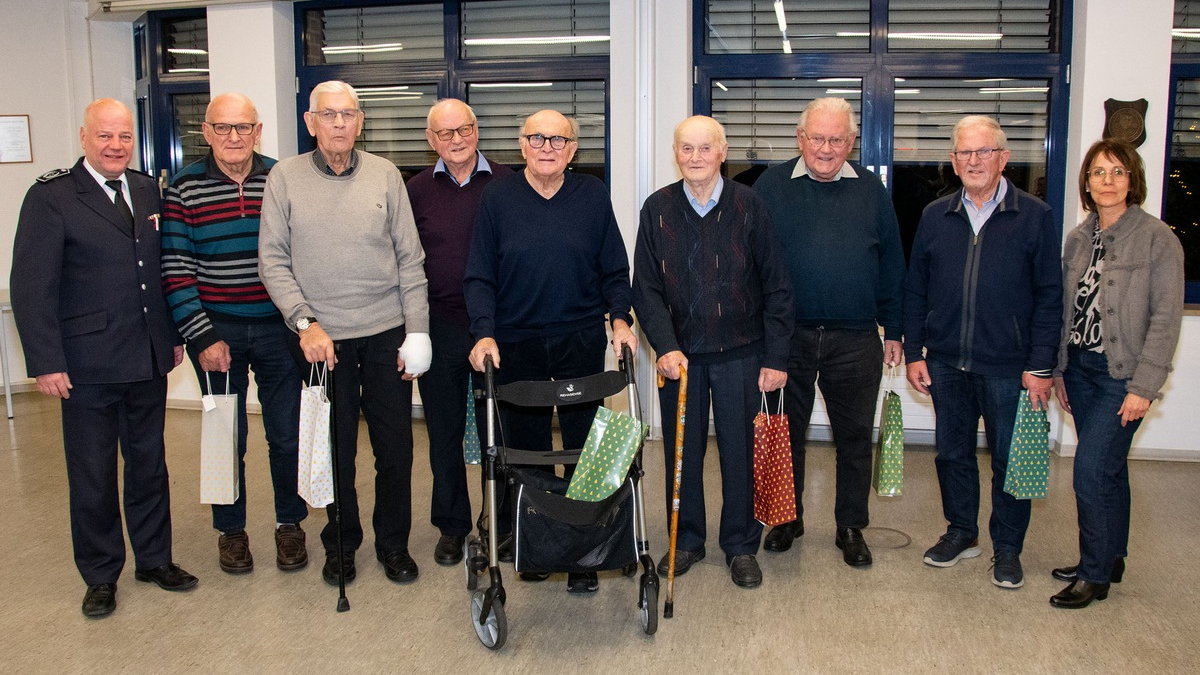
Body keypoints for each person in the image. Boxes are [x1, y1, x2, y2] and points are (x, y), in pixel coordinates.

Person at [10, 98, 197, 618]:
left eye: (124, 137)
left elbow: (157, 272)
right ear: (83, 137)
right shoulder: (52, 197)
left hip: (146, 356)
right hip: (86, 364)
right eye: (104, 136)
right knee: (92, 474)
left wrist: (172, 335)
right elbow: (30, 286)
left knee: (149, 467)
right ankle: (100, 574)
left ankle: (154, 559)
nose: (115, 146)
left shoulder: (145, 188)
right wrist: (46, 360)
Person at [259, 80, 431, 586]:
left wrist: (417, 331)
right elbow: (272, 260)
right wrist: (304, 323)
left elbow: (410, 258)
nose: (338, 124)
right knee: (333, 451)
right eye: (328, 115)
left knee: (395, 449)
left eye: (348, 114)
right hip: (320, 342)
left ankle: (393, 544)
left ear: (360, 121)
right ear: (310, 122)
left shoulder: (385, 175)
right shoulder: (285, 178)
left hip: (385, 333)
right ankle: (340, 542)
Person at [464, 109, 638, 594]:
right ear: (522, 146)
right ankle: (537, 543)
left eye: (558, 139)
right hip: (516, 341)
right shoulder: (497, 197)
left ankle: (585, 549)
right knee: (531, 448)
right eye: (537, 138)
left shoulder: (591, 195)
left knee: (585, 445)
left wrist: (619, 319)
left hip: (579, 337)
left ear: (572, 150)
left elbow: (613, 269)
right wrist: (483, 332)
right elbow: (479, 274)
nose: (547, 146)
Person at [903, 115, 1063, 590]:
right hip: (947, 361)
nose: (973, 161)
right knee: (951, 453)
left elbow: (1050, 297)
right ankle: (961, 532)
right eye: (964, 153)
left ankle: (1008, 549)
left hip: (1010, 368)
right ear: (953, 162)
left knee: (1010, 460)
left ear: (1003, 158)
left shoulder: (1035, 216)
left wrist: (1040, 365)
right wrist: (915, 352)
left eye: (983, 152)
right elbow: (916, 290)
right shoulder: (936, 215)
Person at [634, 116, 793, 588]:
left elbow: (777, 286)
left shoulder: (751, 206)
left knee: (739, 454)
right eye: (687, 148)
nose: (696, 157)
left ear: (722, 152)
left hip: (742, 354)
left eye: (706, 148)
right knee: (682, 455)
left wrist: (776, 357)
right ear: (676, 153)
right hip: (680, 358)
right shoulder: (656, 208)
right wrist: (664, 346)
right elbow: (644, 289)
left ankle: (741, 545)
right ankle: (686, 541)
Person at [754, 97, 905, 567]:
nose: (825, 148)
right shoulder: (770, 187)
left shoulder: (872, 191)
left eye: (836, 139)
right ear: (800, 139)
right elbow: (751, 263)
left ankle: (850, 525)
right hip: (786, 338)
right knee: (786, 434)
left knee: (855, 438)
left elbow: (892, 265)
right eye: (817, 138)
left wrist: (895, 329)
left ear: (851, 142)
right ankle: (787, 518)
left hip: (855, 339)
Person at [161, 93, 308, 575]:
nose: (233, 137)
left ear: (258, 130)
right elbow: (177, 268)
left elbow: (299, 254)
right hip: (218, 330)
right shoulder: (184, 187)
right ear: (205, 132)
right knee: (227, 435)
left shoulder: (281, 178)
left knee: (287, 436)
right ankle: (231, 531)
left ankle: (291, 524)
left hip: (277, 329)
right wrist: (201, 337)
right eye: (222, 128)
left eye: (243, 127)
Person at [1048, 139, 1184, 609]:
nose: (1107, 181)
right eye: (1098, 172)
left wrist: (1145, 387)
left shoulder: (1156, 238)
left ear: (1133, 180)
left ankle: (1094, 575)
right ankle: (1112, 555)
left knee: (1089, 471)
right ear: (1086, 182)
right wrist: (1061, 371)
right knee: (1108, 470)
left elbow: (1166, 318)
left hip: (1121, 375)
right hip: (1081, 371)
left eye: (1117, 172)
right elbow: (1066, 310)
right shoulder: (1078, 239)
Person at [407, 99, 512, 567]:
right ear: (431, 140)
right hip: (440, 326)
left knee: (504, 430)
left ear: (477, 129)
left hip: (500, 327)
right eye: (444, 133)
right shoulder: (414, 191)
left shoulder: (510, 184)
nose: (456, 139)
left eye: (464, 128)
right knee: (444, 433)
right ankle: (452, 526)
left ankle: (507, 521)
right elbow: (404, 262)